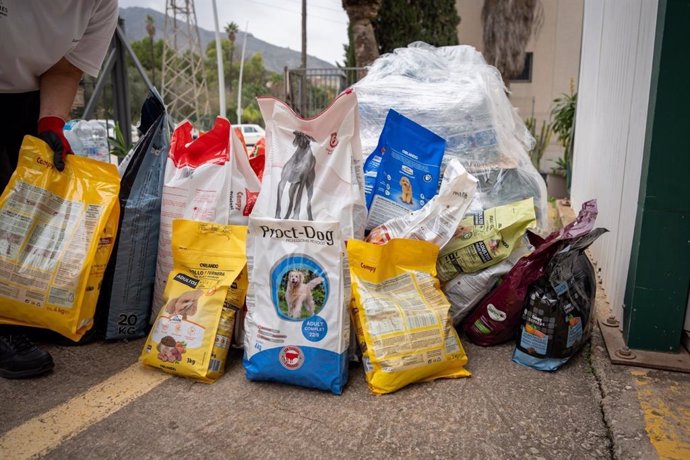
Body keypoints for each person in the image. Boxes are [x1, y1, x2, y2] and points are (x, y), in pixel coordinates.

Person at [0, 1, 118, 378]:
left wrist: (51, 124)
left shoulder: (100, 2)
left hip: (24, 96)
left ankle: (28, 311)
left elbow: (66, 68)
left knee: (26, 206)